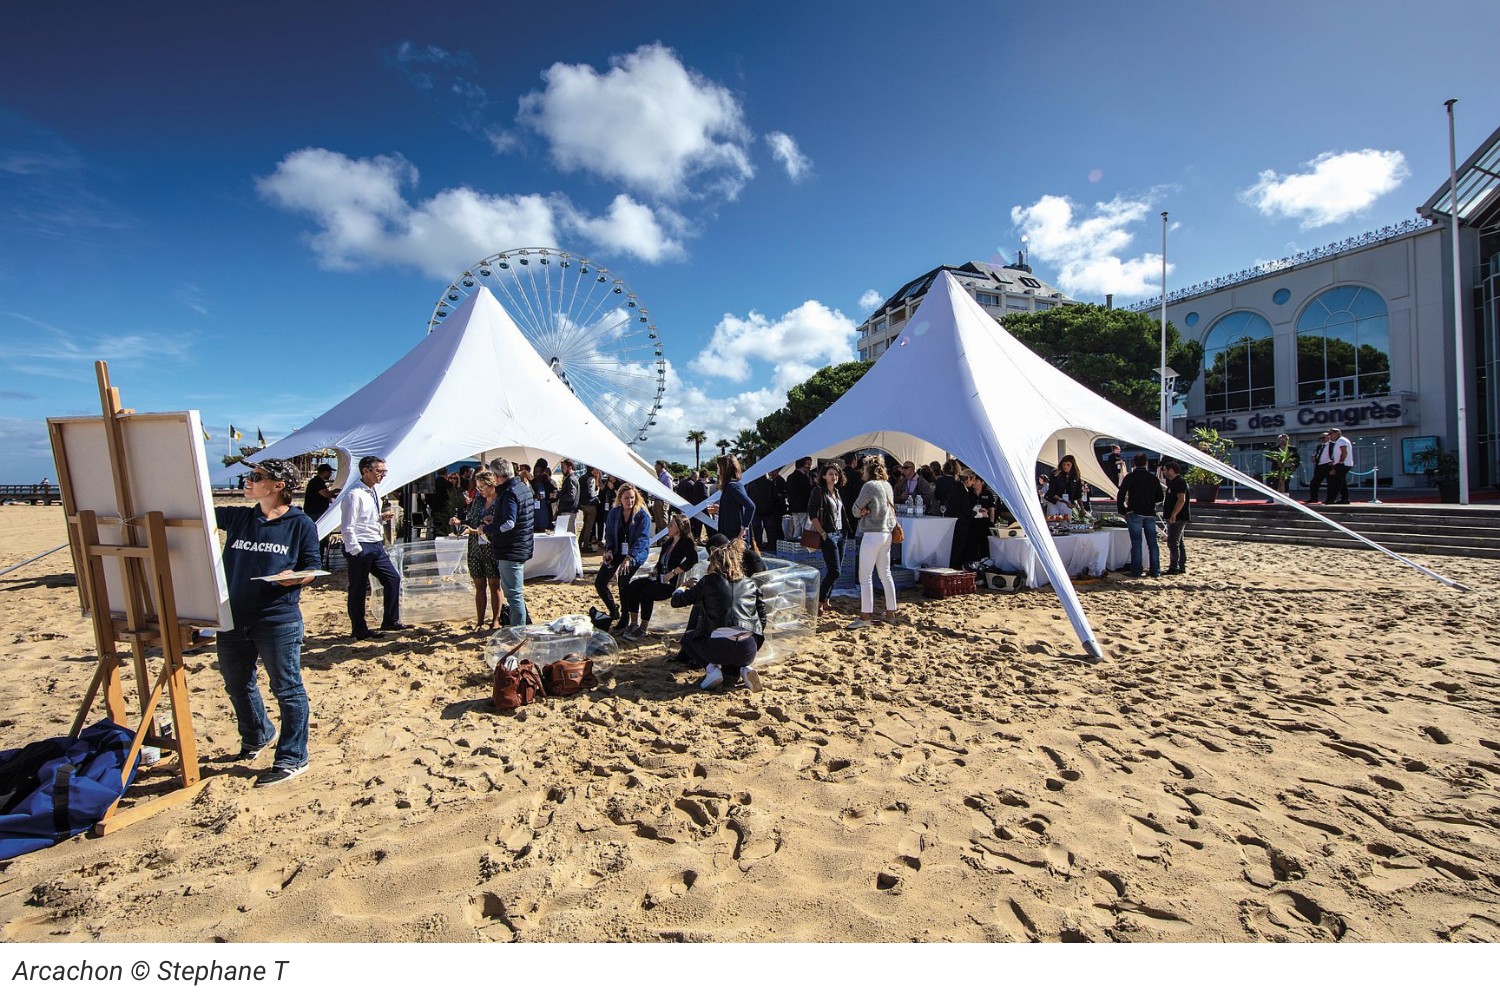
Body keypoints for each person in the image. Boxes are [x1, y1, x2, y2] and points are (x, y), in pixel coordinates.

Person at [213, 459, 320, 787]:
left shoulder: (300, 524)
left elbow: (312, 566)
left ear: (278, 486)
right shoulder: (239, 516)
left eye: (256, 477)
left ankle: (292, 757)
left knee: (286, 688)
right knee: (236, 683)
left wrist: (296, 579)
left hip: (277, 618)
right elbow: (192, 508)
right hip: (232, 616)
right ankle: (258, 734)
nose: (248, 481)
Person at [669, 536, 766, 692]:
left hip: (720, 647)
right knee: (732, 657)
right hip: (748, 648)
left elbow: (677, 601)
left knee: (688, 638)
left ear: (714, 563)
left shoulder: (708, 581)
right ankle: (744, 668)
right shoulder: (750, 583)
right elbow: (763, 618)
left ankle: (711, 670)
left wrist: (682, 587)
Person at [339, 455, 405, 640]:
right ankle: (359, 629)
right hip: (361, 545)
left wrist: (380, 518)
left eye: (384, 471)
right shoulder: (354, 494)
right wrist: (355, 550)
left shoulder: (372, 491)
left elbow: (365, 518)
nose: (382, 475)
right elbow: (347, 526)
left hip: (375, 543)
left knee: (393, 579)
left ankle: (391, 620)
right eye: (379, 471)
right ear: (365, 471)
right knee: (358, 588)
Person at [619, 514, 699, 639]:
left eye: (671, 525)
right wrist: (655, 570)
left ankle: (643, 626)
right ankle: (633, 622)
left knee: (646, 593)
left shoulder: (686, 543)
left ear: (679, 528)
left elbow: (692, 560)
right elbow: (661, 561)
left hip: (671, 583)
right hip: (660, 578)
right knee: (634, 586)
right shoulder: (668, 543)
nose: (668, 527)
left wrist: (674, 572)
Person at [482, 458, 534, 628]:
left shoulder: (510, 492)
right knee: (515, 593)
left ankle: (519, 631)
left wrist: (488, 529)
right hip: (519, 545)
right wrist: (495, 519)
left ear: (497, 476)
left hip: (511, 548)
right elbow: (514, 517)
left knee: (513, 594)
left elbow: (509, 524)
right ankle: (522, 626)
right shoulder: (521, 487)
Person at [848, 456, 897, 628]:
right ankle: (891, 611)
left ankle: (865, 616)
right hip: (886, 533)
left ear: (867, 469)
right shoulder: (887, 485)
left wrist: (863, 511)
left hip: (872, 534)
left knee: (865, 577)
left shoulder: (869, 486)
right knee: (885, 574)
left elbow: (855, 509)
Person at [451, 470, 503, 629]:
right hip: (475, 546)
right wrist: (459, 522)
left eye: (482, 487)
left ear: (492, 484)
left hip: (492, 546)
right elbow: (472, 520)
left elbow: (498, 525)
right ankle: (480, 621)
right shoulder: (478, 500)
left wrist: (473, 530)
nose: (479, 491)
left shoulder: (501, 500)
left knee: (494, 585)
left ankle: (495, 620)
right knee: (479, 585)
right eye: (478, 487)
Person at [594, 482, 651, 628]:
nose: (629, 501)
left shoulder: (642, 515)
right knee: (600, 582)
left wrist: (629, 557)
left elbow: (642, 539)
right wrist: (609, 550)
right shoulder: (614, 513)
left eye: (632, 498)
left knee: (623, 581)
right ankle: (614, 609)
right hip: (617, 550)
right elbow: (610, 534)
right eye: (626, 498)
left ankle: (625, 616)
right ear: (620, 498)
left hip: (635, 553)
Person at [808, 462, 847, 613]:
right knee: (834, 571)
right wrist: (822, 533)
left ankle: (826, 601)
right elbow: (812, 514)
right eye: (831, 474)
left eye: (836, 474)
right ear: (823, 476)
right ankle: (819, 602)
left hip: (840, 533)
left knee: (837, 570)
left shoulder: (837, 492)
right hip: (828, 534)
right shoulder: (818, 491)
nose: (834, 477)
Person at [1117, 453, 1164, 578]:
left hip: (1135, 512)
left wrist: (1123, 510)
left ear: (1134, 464)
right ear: (1146, 463)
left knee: (1136, 543)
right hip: (1149, 513)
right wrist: (1151, 503)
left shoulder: (1130, 477)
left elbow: (1121, 494)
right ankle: (1155, 570)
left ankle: (1136, 571)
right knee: (1152, 543)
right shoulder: (1153, 478)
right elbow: (1160, 496)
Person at [952, 471, 999, 567]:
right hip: (971, 522)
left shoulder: (987, 493)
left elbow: (991, 509)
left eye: (976, 481)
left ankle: (984, 561)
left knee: (984, 544)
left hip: (984, 523)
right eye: (973, 480)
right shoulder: (967, 492)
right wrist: (978, 513)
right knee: (970, 544)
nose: (974, 483)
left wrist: (991, 522)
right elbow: (967, 509)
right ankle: (968, 563)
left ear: (982, 482)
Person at [714, 455, 755, 546]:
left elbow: (750, 506)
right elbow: (736, 506)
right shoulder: (732, 485)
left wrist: (743, 529)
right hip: (730, 534)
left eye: (718, 467)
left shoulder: (732, 486)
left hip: (734, 536)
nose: (717, 470)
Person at [302, 463, 337, 568]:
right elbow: (325, 494)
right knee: (319, 537)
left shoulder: (317, 481)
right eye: (330, 472)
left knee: (319, 538)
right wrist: (335, 491)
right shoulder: (317, 482)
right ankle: (317, 561)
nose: (330, 474)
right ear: (325, 472)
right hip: (315, 513)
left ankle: (319, 559)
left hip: (315, 512)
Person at [1161, 460, 1190, 575]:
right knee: (1178, 541)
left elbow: (1181, 500)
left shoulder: (1179, 482)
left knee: (1172, 541)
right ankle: (1180, 566)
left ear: (1171, 470)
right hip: (1175, 516)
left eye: (1165, 469)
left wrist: (1174, 514)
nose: (1163, 472)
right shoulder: (1173, 482)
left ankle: (1174, 567)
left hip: (1178, 517)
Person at [785, 457, 814, 540]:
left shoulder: (790, 477)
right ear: (803, 465)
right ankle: (805, 546)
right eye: (808, 464)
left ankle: (795, 545)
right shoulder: (803, 477)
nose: (809, 467)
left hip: (793, 506)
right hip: (803, 506)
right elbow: (809, 490)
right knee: (806, 527)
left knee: (797, 528)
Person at [678, 469, 709, 541]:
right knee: (699, 524)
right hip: (695, 506)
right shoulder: (694, 484)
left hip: (683, 505)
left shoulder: (683, 482)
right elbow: (703, 496)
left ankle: (693, 538)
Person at [1327, 427, 1354, 505]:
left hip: (1343, 464)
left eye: (1331, 433)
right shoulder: (1339, 441)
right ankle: (1345, 498)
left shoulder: (1341, 440)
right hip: (1341, 463)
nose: (1329, 435)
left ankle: (1331, 499)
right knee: (1342, 482)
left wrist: (1340, 462)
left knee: (1336, 482)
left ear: (1337, 433)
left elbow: (1344, 452)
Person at [578, 466, 601, 552]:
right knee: (589, 526)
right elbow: (591, 493)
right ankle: (586, 545)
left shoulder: (581, 478)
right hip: (590, 504)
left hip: (583, 504)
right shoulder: (591, 479)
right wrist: (597, 491)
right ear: (593, 470)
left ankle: (580, 542)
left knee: (585, 524)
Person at [555, 459, 580, 535]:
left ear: (569, 467)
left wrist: (559, 495)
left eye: (563, 467)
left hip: (568, 511)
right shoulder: (570, 479)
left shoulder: (571, 479)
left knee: (570, 535)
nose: (562, 470)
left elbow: (571, 496)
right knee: (566, 535)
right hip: (567, 511)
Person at [1307, 431, 1333, 503]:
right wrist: (1315, 458)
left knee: (1330, 483)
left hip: (1328, 465)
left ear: (1328, 437)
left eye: (1323, 437)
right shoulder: (1319, 446)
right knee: (1314, 482)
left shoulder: (1332, 445)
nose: (1322, 439)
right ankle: (1313, 498)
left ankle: (1330, 499)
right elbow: (1318, 455)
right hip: (1319, 465)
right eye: (1320, 438)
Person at [532, 459, 556, 533]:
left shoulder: (546, 483)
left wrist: (551, 499)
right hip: (534, 512)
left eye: (539, 472)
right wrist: (534, 496)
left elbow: (555, 492)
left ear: (542, 472)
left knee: (542, 531)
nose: (537, 474)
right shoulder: (531, 483)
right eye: (535, 472)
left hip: (544, 511)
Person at [651, 460, 673, 534]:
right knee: (658, 523)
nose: (655, 468)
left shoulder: (666, 476)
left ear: (660, 466)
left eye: (656, 466)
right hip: (657, 501)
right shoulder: (660, 476)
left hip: (662, 502)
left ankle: (666, 540)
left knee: (663, 523)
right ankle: (661, 541)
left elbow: (669, 490)